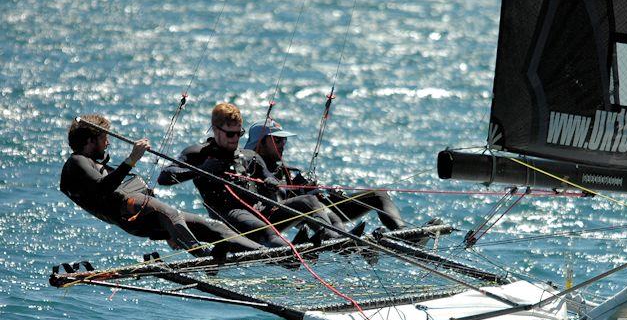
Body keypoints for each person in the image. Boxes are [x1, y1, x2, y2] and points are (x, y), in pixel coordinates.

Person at [60, 115, 264, 259]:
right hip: (130, 211)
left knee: (213, 227)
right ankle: (203, 256)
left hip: (146, 215)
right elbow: (102, 189)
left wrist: (171, 233)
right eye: (104, 139)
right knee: (170, 212)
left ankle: (265, 253)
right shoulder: (77, 162)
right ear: (89, 140)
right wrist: (132, 159)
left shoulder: (96, 163)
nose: (107, 144)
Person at [157, 103, 348, 246]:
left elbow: (268, 175)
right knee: (266, 231)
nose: (235, 140)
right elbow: (165, 177)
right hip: (231, 217)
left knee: (309, 202)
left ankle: (338, 240)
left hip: (261, 212)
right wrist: (203, 169)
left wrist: (271, 181)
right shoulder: (197, 154)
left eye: (239, 134)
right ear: (216, 130)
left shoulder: (249, 156)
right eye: (230, 134)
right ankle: (291, 256)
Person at [244, 118, 405, 230]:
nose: (283, 144)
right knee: (311, 202)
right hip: (284, 219)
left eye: (284, 140)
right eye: (277, 140)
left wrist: (331, 193)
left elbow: (312, 196)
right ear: (260, 142)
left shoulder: (287, 171)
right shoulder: (250, 168)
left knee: (378, 195)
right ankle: (343, 240)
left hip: (321, 213)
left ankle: (403, 234)